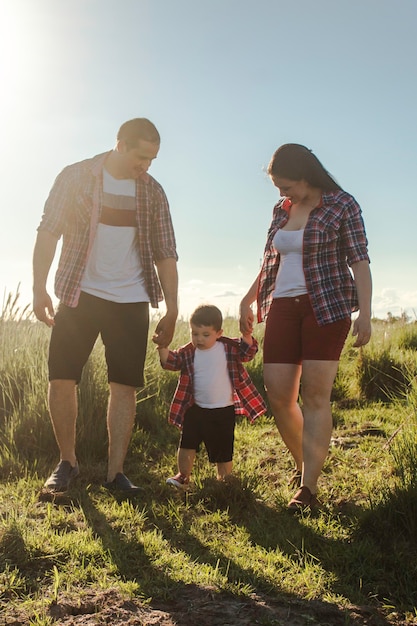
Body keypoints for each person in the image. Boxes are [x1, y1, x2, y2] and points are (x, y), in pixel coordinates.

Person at [33, 118, 178, 495]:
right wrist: (38, 287)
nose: (146, 166)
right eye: (141, 157)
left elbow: (166, 252)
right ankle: (67, 462)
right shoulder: (76, 176)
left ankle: (115, 474)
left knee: (124, 384)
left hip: (130, 299)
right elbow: (48, 231)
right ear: (120, 144)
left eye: (152, 159)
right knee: (62, 377)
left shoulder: (153, 192)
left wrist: (173, 307)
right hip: (79, 293)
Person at [239, 144, 372, 512]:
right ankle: (303, 467)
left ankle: (308, 487)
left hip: (326, 307)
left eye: (286, 186)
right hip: (282, 305)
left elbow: (359, 260)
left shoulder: (342, 205)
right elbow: (270, 261)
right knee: (279, 396)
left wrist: (366, 312)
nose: (283, 195)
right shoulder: (280, 210)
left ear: (305, 175)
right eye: (278, 189)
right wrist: (248, 299)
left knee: (315, 396)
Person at [156, 304, 266, 489]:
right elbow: (171, 362)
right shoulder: (188, 352)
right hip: (196, 408)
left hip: (223, 410)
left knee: (223, 450)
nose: (199, 339)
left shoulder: (228, 347)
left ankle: (224, 482)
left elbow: (248, 353)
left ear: (219, 332)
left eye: (205, 335)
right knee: (187, 443)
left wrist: (246, 335)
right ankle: (183, 476)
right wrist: (162, 345)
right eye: (194, 334)